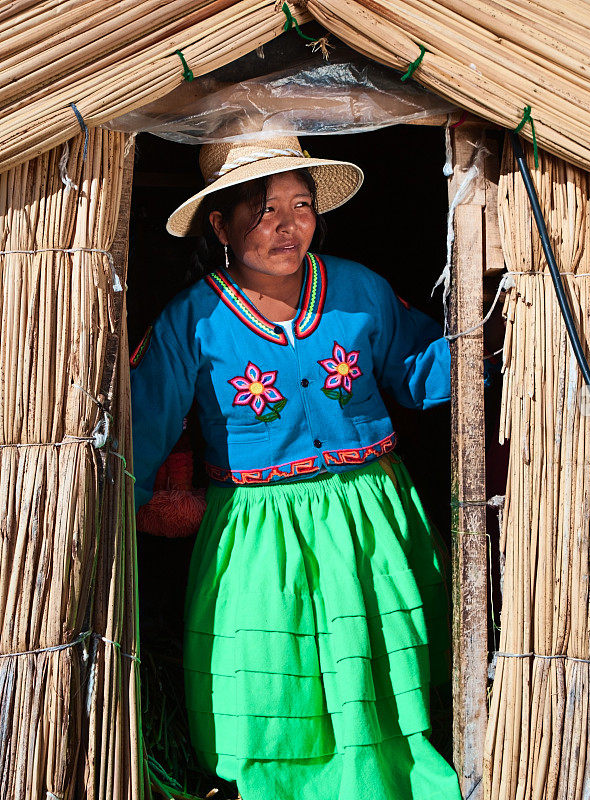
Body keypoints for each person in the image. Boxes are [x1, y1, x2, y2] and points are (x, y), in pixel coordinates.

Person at [130, 135, 462, 800]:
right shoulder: (191, 322)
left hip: (368, 516)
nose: (290, 226)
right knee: (268, 673)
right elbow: (145, 425)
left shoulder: (359, 290)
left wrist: (509, 342)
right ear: (220, 224)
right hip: (258, 531)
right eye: (266, 209)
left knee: (378, 678)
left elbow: (425, 366)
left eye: (301, 204)